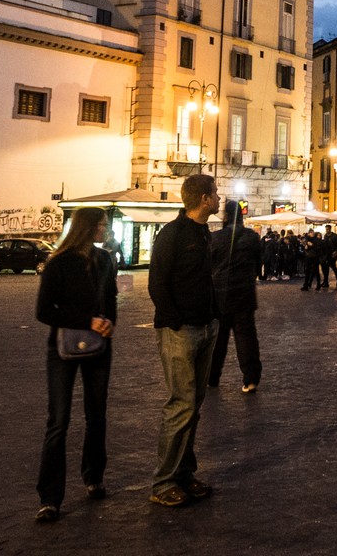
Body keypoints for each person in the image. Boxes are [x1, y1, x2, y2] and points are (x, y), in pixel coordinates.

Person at [33, 207, 117, 523]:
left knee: (97, 415)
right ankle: (49, 498)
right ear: (89, 228)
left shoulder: (104, 260)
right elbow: (44, 311)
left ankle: (94, 476)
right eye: (103, 225)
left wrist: (109, 322)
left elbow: (111, 299)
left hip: (99, 345)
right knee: (59, 421)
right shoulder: (59, 262)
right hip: (62, 348)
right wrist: (88, 321)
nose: (106, 230)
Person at [147, 173, 219, 509]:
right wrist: (174, 321)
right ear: (204, 199)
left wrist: (213, 316)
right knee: (181, 405)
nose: (218, 198)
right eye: (215, 193)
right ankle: (163, 482)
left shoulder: (203, 233)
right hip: (180, 330)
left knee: (194, 406)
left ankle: (184, 473)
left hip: (205, 327)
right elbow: (157, 283)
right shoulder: (172, 235)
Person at [209, 202, 263, 394]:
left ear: (226, 216)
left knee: (218, 339)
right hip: (244, 295)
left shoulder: (216, 238)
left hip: (220, 295)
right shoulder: (252, 237)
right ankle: (251, 379)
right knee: (246, 338)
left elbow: (209, 265)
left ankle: (212, 376)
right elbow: (258, 265)